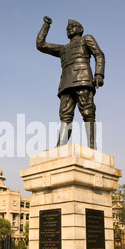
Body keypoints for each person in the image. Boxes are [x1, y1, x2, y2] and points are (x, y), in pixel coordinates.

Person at [36, 16, 105, 149]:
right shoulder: (63, 49)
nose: (69, 29)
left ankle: (92, 146)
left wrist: (99, 74)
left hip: (83, 79)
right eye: (67, 28)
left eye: (72, 27)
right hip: (66, 84)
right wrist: (46, 26)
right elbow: (41, 45)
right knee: (65, 115)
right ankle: (60, 146)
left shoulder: (86, 39)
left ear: (80, 29)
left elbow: (99, 54)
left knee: (88, 112)